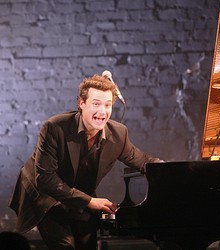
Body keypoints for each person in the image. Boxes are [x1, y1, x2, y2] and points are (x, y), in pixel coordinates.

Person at [9, 74, 161, 250]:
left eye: (107, 105)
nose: (102, 112)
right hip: (45, 195)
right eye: (96, 104)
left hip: (78, 193)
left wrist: (170, 168)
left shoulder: (119, 133)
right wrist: (90, 201)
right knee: (65, 246)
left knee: (87, 244)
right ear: (81, 104)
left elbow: (142, 160)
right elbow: (45, 179)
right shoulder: (54, 127)